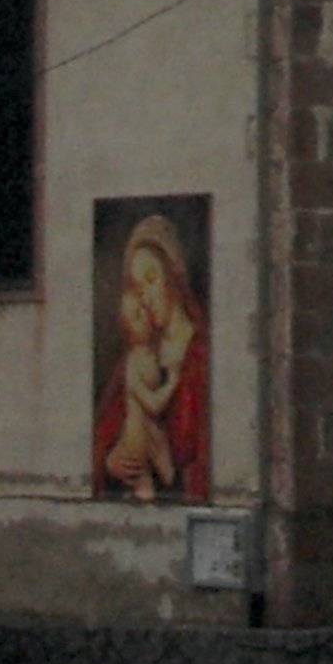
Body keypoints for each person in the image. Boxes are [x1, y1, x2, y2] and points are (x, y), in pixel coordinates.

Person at [94, 212, 209, 501]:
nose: (144, 295)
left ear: (174, 275)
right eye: (137, 285)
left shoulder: (201, 354)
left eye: (151, 279)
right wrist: (109, 462)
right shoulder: (138, 358)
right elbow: (103, 434)